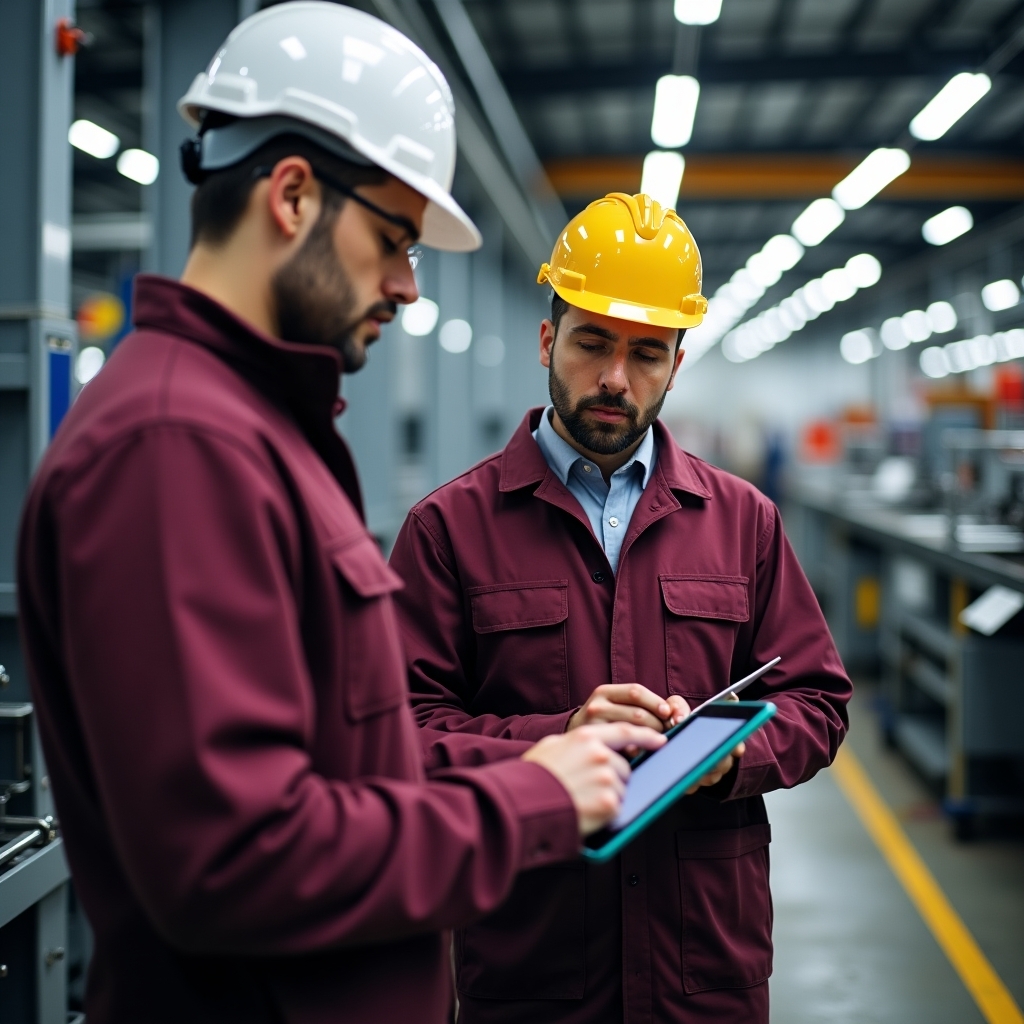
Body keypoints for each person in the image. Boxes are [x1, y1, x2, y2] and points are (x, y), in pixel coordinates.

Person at [16, 9, 664, 1023]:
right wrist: (530, 803)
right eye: (394, 239)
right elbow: (232, 857)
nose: (408, 284)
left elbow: (344, 754)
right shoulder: (175, 445)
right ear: (291, 195)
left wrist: (539, 751)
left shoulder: (251, 431)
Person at [389, 191, 854, 1024]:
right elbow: (399, 737)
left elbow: (818, 701)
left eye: (647, 354)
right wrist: (551, 741)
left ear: (677, 363)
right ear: (547, 340)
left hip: (704, 969)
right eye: (592, 344)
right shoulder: (447, 530)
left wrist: (722, 760)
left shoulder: (743, 521)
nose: (614, 379)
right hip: (533, 966)